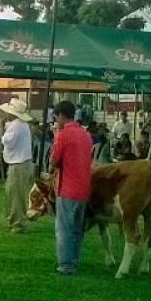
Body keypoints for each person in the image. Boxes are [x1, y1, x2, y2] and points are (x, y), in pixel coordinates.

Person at [47, 100, 93, 276]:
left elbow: (53, 161)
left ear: (60, 115)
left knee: (64, 229)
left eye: (55, 117)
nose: (55, 121)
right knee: (76, 229)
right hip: (83, 188)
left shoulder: (63, 134)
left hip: (67, 188)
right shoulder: (85, 134)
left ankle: (66, 264)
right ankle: (73, 261)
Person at [0, 98, 33, 234]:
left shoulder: (16, 126)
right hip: (22, 163)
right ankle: (16, 219)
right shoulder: (20, 124)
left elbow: (6, 141)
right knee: (14, 193)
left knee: (15, 195)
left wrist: (1, 128)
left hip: (18, 164)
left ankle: (18, 224)